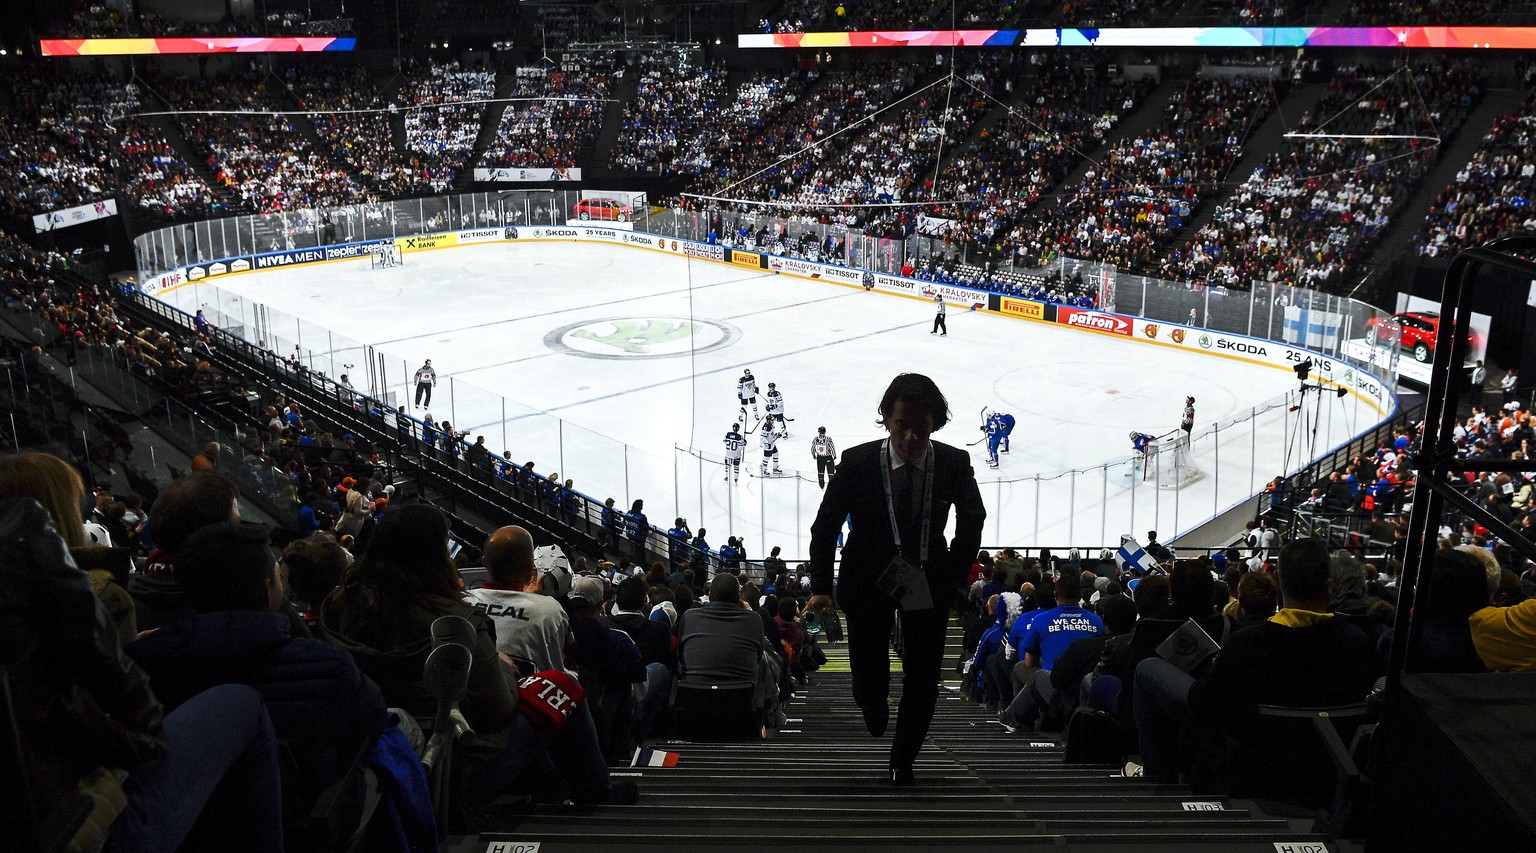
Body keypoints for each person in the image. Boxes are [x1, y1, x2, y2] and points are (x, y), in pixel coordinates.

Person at [126, 522, 385, 846]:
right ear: (268, 592)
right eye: (278, 578)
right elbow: (373, 721)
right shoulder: (329, 665)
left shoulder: (141, 668)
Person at [807, 373, 986, 785]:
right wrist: (821, 588)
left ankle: (903, 759)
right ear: (886, 419)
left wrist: (952, 576)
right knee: (868, 681)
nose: (910, 436)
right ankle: (872, 701)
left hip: (929, 579)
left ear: (934, 424)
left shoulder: (954, 463)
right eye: (901, 425)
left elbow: (972, 519)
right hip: (866, 580)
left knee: (924, 679)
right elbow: (826, 525)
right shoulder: (856, 462)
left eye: (920, 427)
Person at [466, 525, 575, 675]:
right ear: (531, 565)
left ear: (484, 562)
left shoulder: (461, 600)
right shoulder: (551, 611)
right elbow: (566, 661)